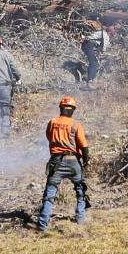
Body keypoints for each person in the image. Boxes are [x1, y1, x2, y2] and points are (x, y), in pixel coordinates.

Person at [37, 96, 90, 232]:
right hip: (73, 161)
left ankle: (43, 225)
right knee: (80, 190)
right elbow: (84, 145)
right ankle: (81, 219)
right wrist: (86, 161)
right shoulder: (76, 124)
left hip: (56, 162)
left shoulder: (52, 122)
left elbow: (49, 137)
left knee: (50, 194)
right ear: (73, 110)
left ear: (60, 108)